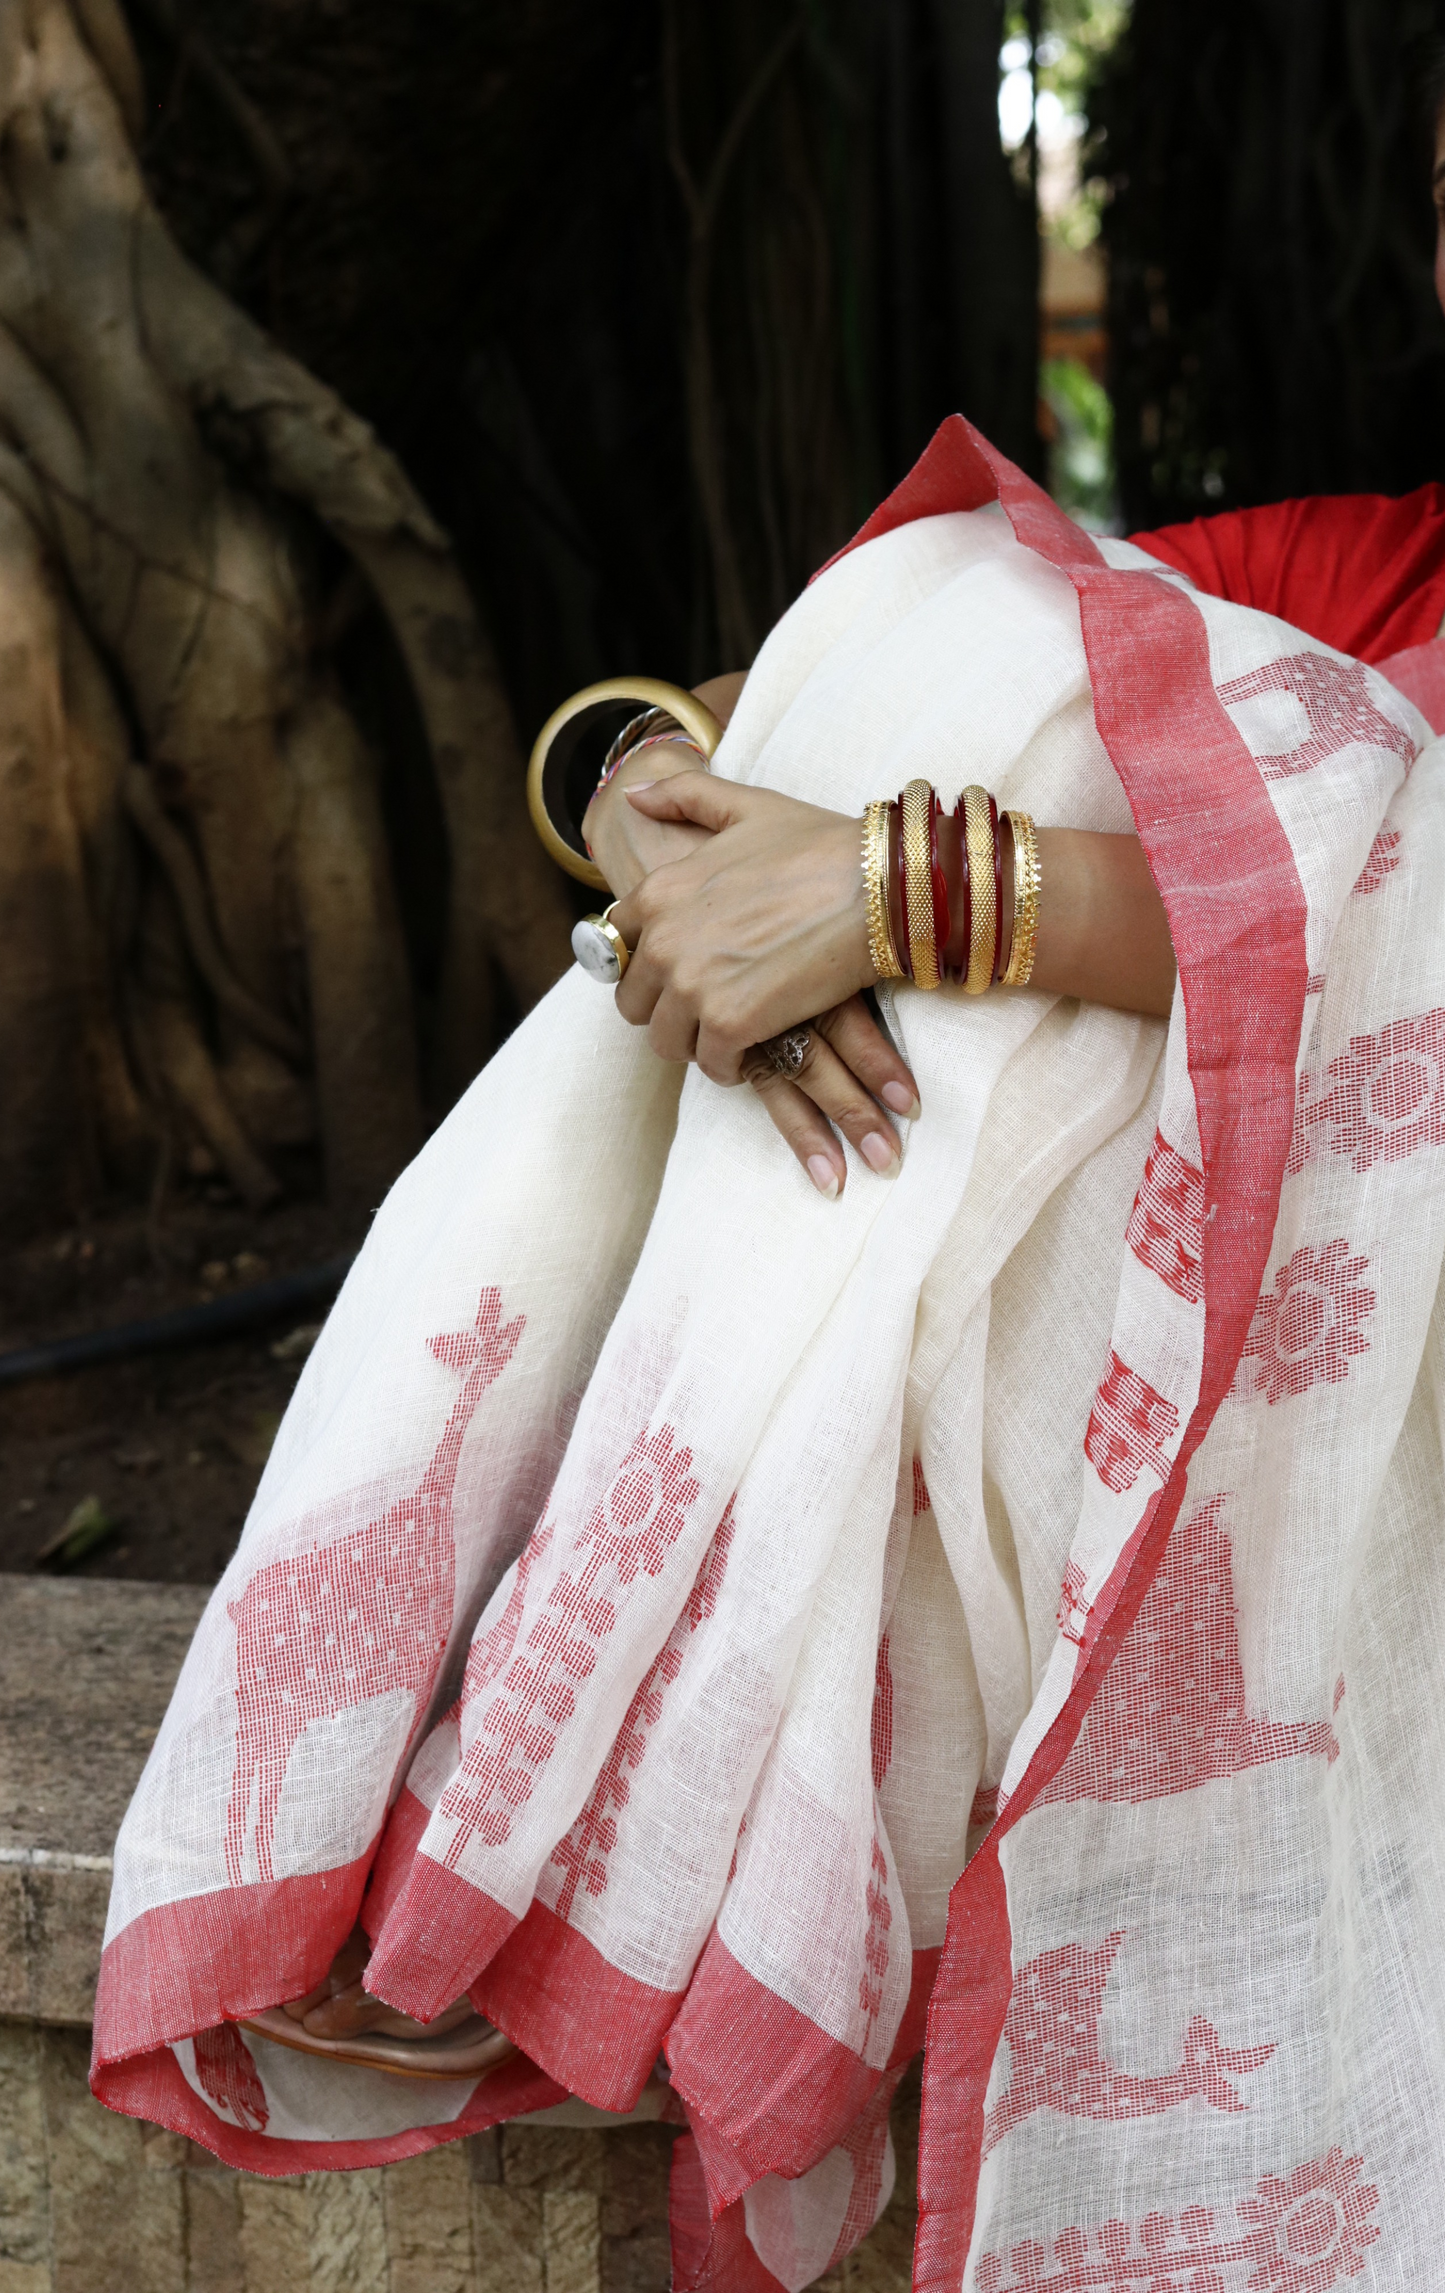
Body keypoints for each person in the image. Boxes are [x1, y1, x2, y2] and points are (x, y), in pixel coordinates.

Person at [91, 65, 1445, 2293]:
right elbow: (807, 682)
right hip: (1111, 1453)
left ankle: (570, 1781)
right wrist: (649, 808)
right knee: (964, 625)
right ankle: (635, 1746)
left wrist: (921, 899)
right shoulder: (1360, 569)